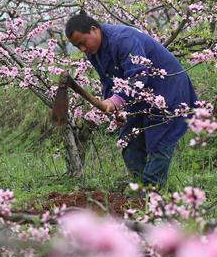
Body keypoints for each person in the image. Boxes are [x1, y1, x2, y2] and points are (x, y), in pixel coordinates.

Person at [65, 13, 197, 187]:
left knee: (159, 144)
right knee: (129, 144)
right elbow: (108, 80)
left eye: (83, 42)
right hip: (138, 96)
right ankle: (139, 189)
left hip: (167, 91)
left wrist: (115, 101)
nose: (82, 48)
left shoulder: (123, 39)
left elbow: (138, 75)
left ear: (93, 29)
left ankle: (151, 193)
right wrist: (114, 109)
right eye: (77, 46)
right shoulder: (93, 51)